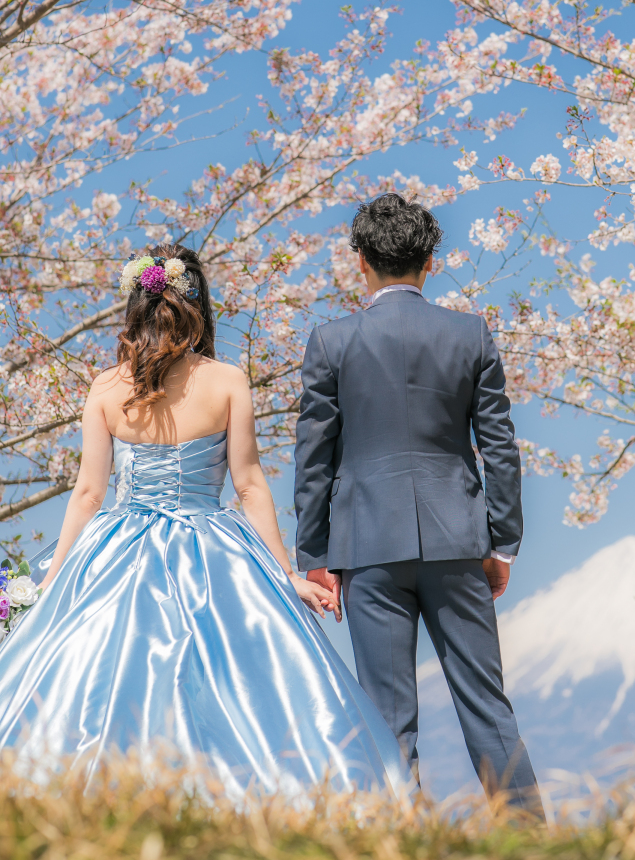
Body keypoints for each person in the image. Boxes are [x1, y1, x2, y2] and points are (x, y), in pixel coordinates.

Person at [0, 246, 405, 800]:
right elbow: (249, 485)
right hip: (214, 547)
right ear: (199, 306)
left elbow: (90, 492)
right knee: (235, 686)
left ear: (135, 309)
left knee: (105, 676)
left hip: (117, 550)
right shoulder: (228, 381)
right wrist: (285, 576)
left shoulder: (105, 388)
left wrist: (52, 584)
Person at [294, 193, 542, 813]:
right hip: (458, 540)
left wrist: (316, 553)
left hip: (368, 546)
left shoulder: (331, 343)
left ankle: (397, 840)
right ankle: (532, 840)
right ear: (430, 261)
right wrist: (502, 542)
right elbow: (499, 450)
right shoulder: (470, 334)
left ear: (360, 263)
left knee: (385, 714)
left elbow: (313, 458)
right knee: (486, 702)